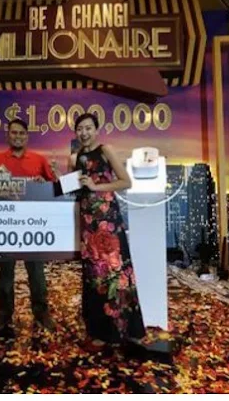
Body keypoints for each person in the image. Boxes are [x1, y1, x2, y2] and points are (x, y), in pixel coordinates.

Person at [68, 112, 146, 351]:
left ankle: (126, 329)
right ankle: (99, 331)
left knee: (116, 273)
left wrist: (96, 186)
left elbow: (126, 181)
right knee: (94, 277)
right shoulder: (75, 157)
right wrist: (59, 179)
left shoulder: (105, 150)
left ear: (96, 130)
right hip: (88, 223)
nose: (84, 133)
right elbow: (73, 191)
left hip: (108, 221)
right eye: (80, 129)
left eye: (88, 128)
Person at [0, 118, 56, 333]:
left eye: (21, 133)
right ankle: (3, 313)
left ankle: (41, 312)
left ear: (27, 136)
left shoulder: (39, 159)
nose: (17, 136)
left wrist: (43, 183)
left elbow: (53, 188)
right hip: (5, 224)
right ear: (8, 135)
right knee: (5, 273)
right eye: (14, 133)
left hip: (32, 225)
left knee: (36, 273)